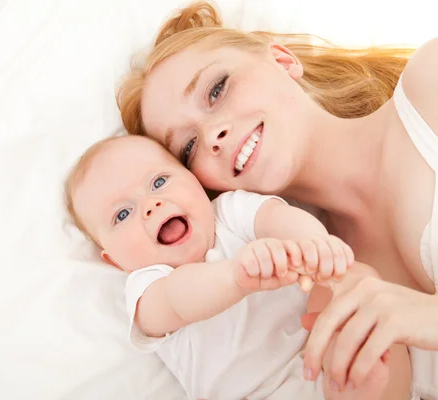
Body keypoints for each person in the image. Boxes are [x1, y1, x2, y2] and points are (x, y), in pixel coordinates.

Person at [116, 1, 438, 398]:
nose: (213, 134)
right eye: (188, 147)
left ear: (282, 61)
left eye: (217, 90)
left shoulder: (430, 84)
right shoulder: (314, 292)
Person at [64, 134, 405, 399]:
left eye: (159, 182)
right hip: (248, 394)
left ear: (193, 179)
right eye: (122, 214)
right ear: (114, 260)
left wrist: (315, 244)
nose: (151, 205)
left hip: (316, 357)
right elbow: (177, 300)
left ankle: (363, 387)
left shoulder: (227, 213)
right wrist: (235, 277)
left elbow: (277, 217)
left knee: (363, 303)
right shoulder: (147, 284)